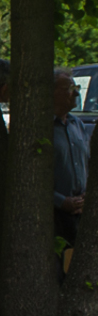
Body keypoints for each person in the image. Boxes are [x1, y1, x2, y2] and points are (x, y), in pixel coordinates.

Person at [53, 67, 89, 247]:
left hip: (81, 212)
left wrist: (86, 197)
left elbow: (87, 164)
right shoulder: (43, 128)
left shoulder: (78, 125)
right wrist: (61, 201)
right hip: (54, 215)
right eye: (68, 88)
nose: (75, 93)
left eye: (76, 87)